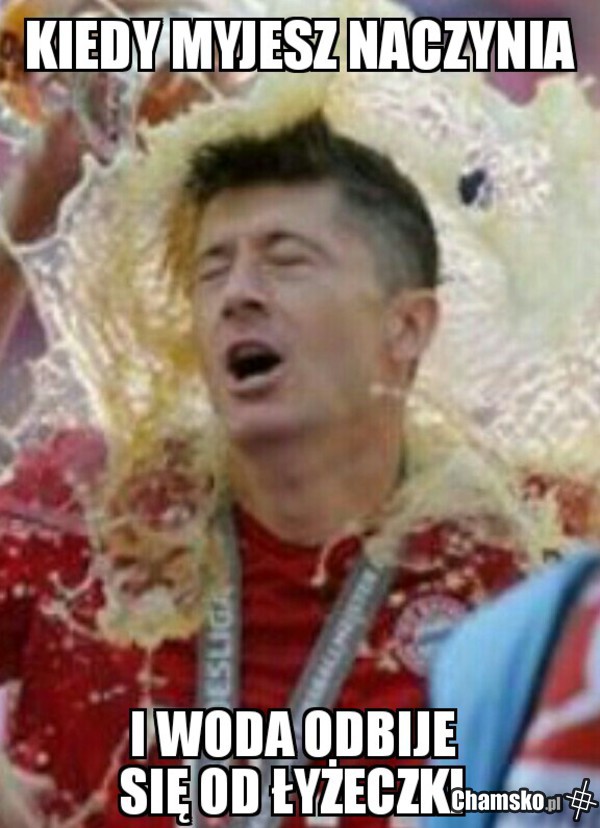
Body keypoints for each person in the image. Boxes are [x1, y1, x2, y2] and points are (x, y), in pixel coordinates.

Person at [0, 107, 533, 827]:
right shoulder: (91, 506)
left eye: (286, 261)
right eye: (213, 269)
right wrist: (25, 218)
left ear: (407, 326)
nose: (238, 294)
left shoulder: (517, 555)